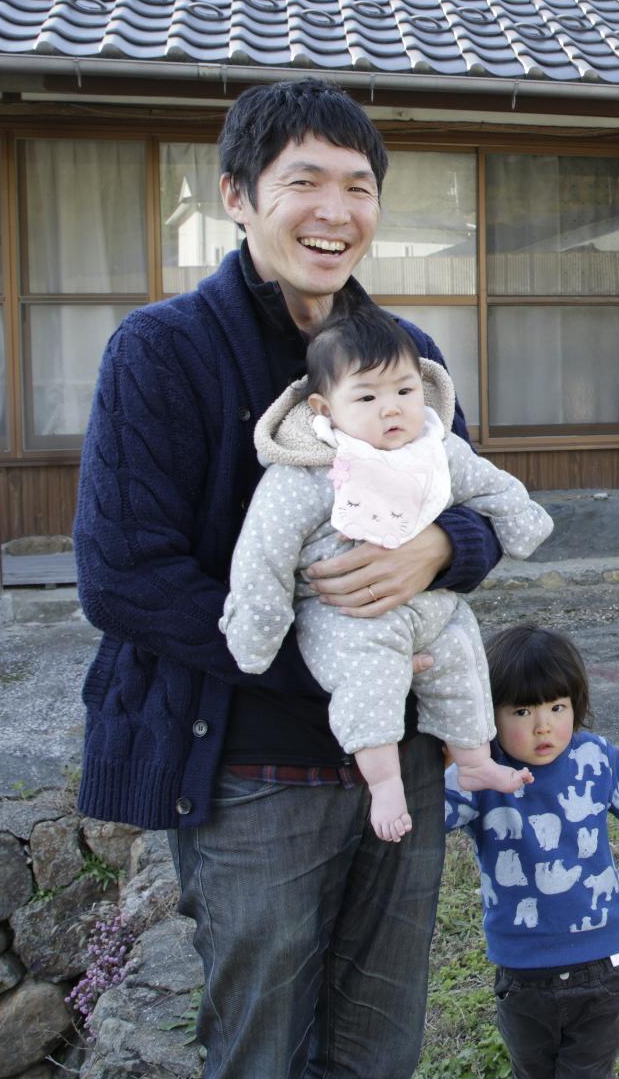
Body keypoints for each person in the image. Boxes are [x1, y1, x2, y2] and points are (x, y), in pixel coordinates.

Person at [74, 77, 503, 1079]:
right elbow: (124, 576)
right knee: (259, 1057)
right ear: (236, 195)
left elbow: (476, 511)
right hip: (248, 766)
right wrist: (330, 659)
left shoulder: (407, 354)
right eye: (302, 179)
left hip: (400, 757)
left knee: (373, 1052)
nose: (334, 210)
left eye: (357, 186)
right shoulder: (162, 351)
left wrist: (441, 552)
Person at [220, 305, 552, 841]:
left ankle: (472, 757)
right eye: (367, 397)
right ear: (324, 407)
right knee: (369, 676)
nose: (391, 409)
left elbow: (489, 485)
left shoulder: (436, 447)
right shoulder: (309, 471)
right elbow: (264, 555)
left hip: (429, 604)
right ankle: (385, 782)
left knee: (462, 652)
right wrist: (255, 635)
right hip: (346, 614)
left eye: (403, 391)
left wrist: (522, 521)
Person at [444, 624, 619, 1079]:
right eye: (522, 710)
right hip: (522, 970)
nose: (543, 726)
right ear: (488, 716)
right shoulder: (481, 772)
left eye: (557, 707)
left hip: (602, 963)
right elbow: (426, 818)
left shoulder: (595, 758)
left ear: (576, 705)